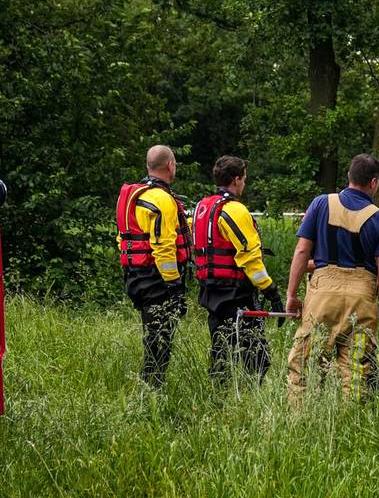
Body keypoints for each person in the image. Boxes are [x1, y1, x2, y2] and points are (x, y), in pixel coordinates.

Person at [285, 154, 379, 400]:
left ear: (349, 177)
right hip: (362, 297)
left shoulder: (320, 204)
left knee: (306, 365)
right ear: (374, 182)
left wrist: (292, 294)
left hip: (322, 295)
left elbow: (303, 251)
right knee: (356, 370)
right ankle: (353, 423)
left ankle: (301, 422)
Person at [192, 155, 282, 384]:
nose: (244, 184)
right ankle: (253, 395)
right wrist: (271, 290)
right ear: (235, 179)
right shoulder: (234, 210)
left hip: (210, 290)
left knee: (221, 348)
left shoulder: (202, 208)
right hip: (235, 291)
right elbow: (250, 257)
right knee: (256, 354)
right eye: (244, 179)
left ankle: (218, 396)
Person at [115, 145, 190, 389]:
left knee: (153, 334)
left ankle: (150, 386)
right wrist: (174, 285)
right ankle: (151, 389)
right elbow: (164, 247)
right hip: (157, 279)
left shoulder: (131, 195)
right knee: (160, 338)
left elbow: (123, 237)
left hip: (134, 276)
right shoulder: (162, 199)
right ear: (170, 166)